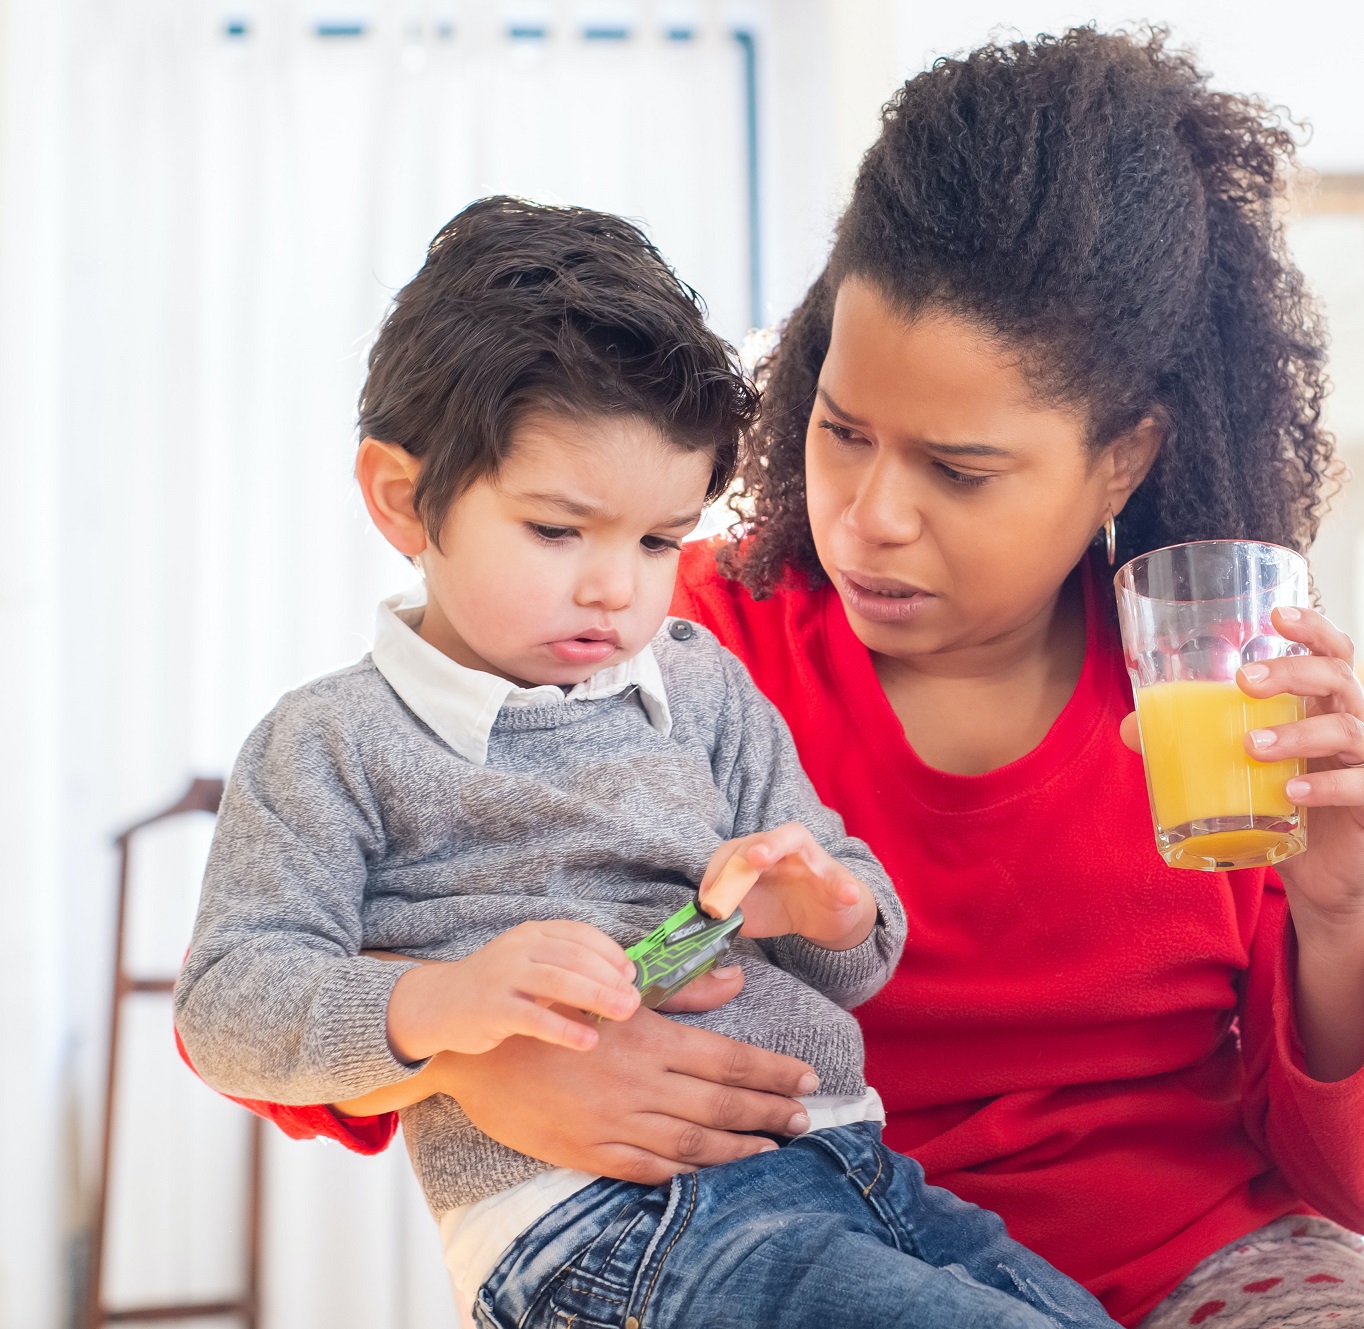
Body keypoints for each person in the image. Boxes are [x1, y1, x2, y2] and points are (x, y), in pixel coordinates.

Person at [199, 29, 1364, 1329]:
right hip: (783, 1240)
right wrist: (478, 1071)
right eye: (840, 429)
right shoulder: (667, 654)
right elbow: (273, 992)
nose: (868, 517)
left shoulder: (1236, 703)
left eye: (958, 471)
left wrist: (1340, 906)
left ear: (1120, 460)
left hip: (1195, 1267)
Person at [172, 195, 1124, 1329]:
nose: (615, 587)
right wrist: (443, 1008)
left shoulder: (703, 683)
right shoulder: (330, 741)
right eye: (559, 531)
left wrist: (821, 906)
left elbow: (852, 951)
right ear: (402, 497)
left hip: (850, 1168)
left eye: (660, 539)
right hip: (604, 1227)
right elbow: (230, 1002)